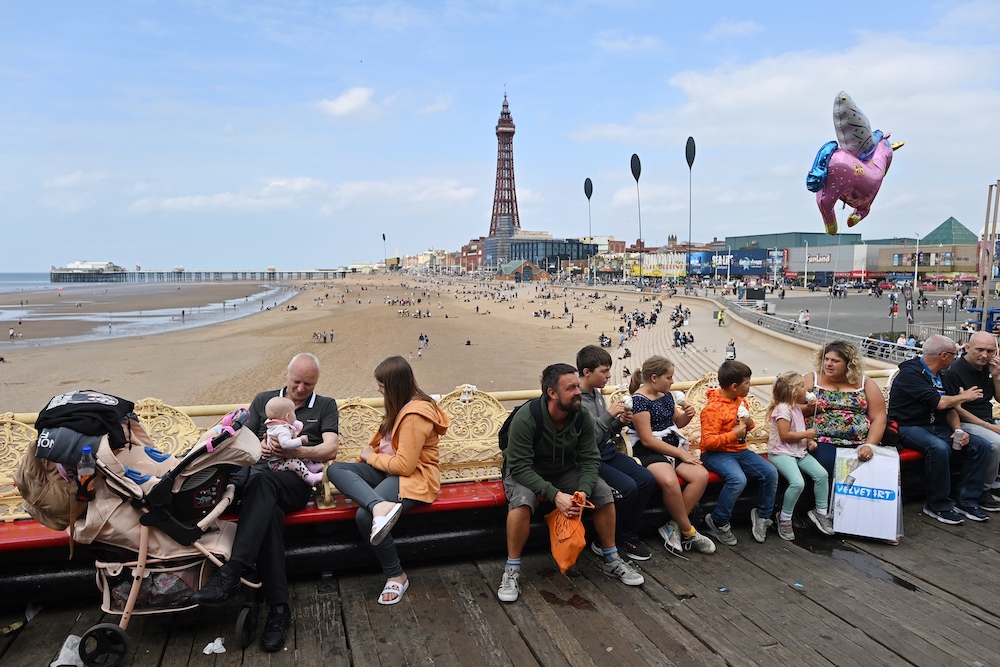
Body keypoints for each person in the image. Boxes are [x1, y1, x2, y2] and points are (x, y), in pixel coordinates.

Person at [191, 352, 339, 652]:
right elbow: (243, 442)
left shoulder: (325, 405)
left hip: (294, 482)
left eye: (308, 384)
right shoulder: (264, 400)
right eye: (296, 381)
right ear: (287, 376)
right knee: (266, 508)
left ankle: (233, 571)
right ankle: (279, 609)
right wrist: (260, 445)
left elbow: (330, 449)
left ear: (316, 382)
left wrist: (292, 453)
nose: (300, 389)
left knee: (263, 485)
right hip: (260, 481)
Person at [497, 363, 643, 603]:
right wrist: (555, 495)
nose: (578, 392)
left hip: (564, 469)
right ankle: (512, 569)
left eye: (577, 386)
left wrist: (583, 492)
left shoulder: (580, 415)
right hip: (527, 471)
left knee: (602, 491)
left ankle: (611, 558)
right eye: (571, 388)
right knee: (522, 501)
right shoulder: (527, 418)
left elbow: (589, 458)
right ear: (552, 393)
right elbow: (520, 466)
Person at [327, 356, 450, 604]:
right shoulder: (402, 405)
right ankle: (378, 505)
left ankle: (396, 575)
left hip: (415, 478)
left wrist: (370, 457)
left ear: (394, 386)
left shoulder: (415, 414)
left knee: (363, 516)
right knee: (337, 470)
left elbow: (405, 466)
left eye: (381, 386)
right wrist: (372, 458)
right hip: (390, 471)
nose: (378, 390)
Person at [889, 335, 992, 524]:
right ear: (944, 355)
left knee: (981, 446)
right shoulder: (911, 373)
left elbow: (950, 409)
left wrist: (958, 430)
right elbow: (941, 402)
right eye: (955, 355)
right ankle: (937, 504)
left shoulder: (943, 377)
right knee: (938, 448)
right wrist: (964, 397)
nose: (956, 358)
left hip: (938, 426)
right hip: (909, 426)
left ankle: (966, 499)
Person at [627, 357, 716, 555]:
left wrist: (688, 415)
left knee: (700, 476)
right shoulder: (639, 402)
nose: (672, 382)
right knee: (670, 482)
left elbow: (677, 422)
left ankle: (673, 525)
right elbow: (648, 440)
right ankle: (689, 531)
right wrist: (680, 454)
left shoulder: (665, 394)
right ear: (654, 377)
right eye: (669, 377)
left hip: (671, 446)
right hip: (649, 451)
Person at [577, 346, 654, 561]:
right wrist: (608, 416)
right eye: (604, 371)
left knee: (646, 479)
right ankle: (605, 541)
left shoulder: (597, 395)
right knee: (627, 487)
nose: (609, 375)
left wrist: (618, 422)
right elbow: (586, 441)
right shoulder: (577, 401)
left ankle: (627, 535)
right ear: (587, 372)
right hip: (590, 458)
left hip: (607, 452)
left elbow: (604, 432)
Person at [699, 360, 778, 546]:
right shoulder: (712, 409)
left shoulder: (741, 401)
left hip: (739, 450)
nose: (750, 387)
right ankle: (719, 520)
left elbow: (747, 427)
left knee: (770, 472)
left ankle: (763, 516)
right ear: (734, 386)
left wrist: (748, 422)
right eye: (747, 383)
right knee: (737, 479)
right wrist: (732, 434)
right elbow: (707, 442)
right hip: (716, 454)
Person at [804, 341, 888, 477]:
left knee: (863, 470)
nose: (828, 364)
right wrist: (809, 408)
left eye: (835, 361)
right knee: (829, 464)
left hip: (858, 443)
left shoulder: (865, 383)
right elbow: (793, 409)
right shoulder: (811, 379)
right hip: (821, 441)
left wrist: (869, 445)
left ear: (848, 364)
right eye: (826, 359)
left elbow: (879, 417)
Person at [766, 372, 834, 540]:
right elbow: (785, 435)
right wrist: (807, 433)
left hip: (798, 451)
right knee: (797, 483)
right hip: (781, 452)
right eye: (802, 386)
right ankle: (784, 517)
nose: (807, 388)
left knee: (822, 474)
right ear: (793, 391)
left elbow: (801, 423)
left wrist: (809, 440)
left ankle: (821, 512)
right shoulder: (783, 410)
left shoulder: (795, 407)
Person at [940, 332, 1000, 512]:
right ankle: (984, 489)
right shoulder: (954, 371)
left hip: (986, 419)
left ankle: (995, 478)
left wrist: (996, 377)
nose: (985, 355)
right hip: (964, 421)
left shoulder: (988, 368)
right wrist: (990, 427)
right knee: (996, 443)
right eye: (980, 350)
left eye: (990, 351)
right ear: (967, 348)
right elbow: (957, 409)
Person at [264, 396, 325, 486]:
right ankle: (310, 478)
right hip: (277, 464)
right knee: (296, 463)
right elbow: (286, 444)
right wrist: (300, 440)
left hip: (283, 459)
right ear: (288, 416)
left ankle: (311, 466)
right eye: (294, 413)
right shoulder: (281, 430)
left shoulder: (276, 426)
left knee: (301, 453)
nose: (295, 416)